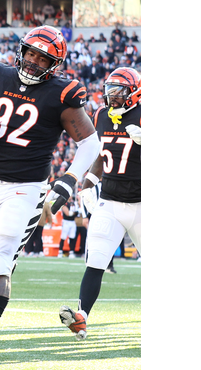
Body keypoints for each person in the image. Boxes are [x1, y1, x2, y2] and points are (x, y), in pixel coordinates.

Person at [0, 25, 101, 367]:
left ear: (55, 63)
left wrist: (67, 181)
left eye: (41, 57)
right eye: (30, 53)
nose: (32, 61)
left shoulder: (62, 93)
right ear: (21, 51)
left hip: (25, 188)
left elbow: (90, 142)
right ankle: (3, 264)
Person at [60, 67, 141, 341]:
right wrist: (88, 183)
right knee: (95, 261)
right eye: (110, 91)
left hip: (144, 205)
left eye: (119, 92)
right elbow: (101, 153)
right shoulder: (101, 115)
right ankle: (82, 318)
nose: (113, 97)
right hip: (110, 202)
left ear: (134, 92)